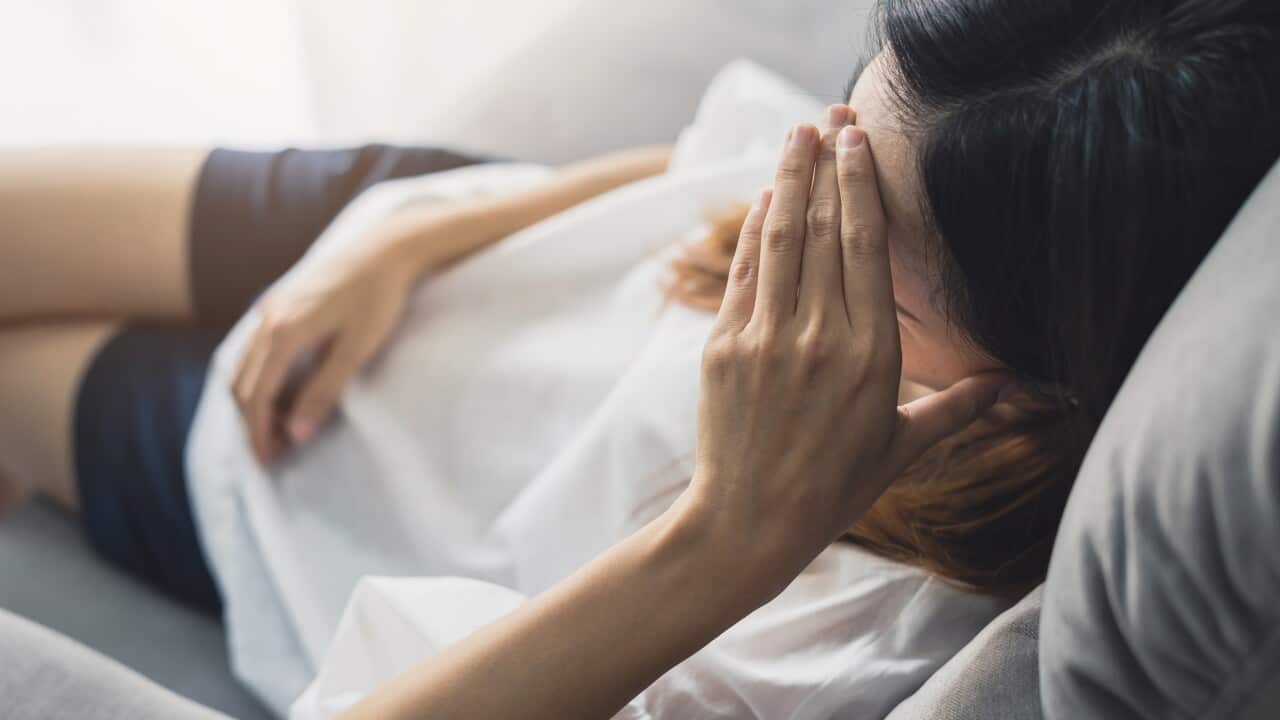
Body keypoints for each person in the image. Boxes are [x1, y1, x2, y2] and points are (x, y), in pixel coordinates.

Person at [2, 0, 1278, 717]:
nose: (795, 195)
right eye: (836, 121)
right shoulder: (943, 167)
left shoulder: (858, 636)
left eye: (844, 230)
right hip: (432, 244)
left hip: (295, 455)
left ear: (1033, 382)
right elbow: (712, 174)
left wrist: (726, 535)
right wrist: (438, 225)